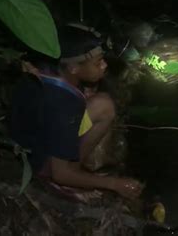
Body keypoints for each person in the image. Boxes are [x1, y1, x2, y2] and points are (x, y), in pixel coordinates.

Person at [10, 24, 142, 202]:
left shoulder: (41, 67)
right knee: (104, 107)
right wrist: (115, 184)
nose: (104, 66)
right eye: (97, 63)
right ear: (73, 68)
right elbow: (60, 173)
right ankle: (71, 178)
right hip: (41, 162)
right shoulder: (65, 104)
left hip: (27, 138)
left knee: (99, 100)